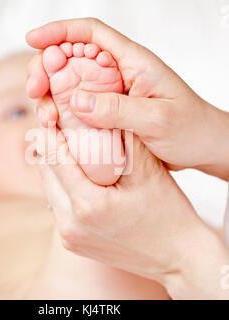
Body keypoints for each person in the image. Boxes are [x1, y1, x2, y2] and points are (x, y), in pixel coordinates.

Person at [0, 51, 168, 300]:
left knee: (129, 231)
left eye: (62, 105)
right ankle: (96, 185)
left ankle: (96, 193)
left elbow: (198, 254)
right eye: (16, 113)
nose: (47, 118)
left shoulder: (151, 210)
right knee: (104, 234)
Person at [26, 18, 229, 299]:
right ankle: (98, 155)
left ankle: (98, 160)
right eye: (14, 113)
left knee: (81, 265)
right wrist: (216, 135)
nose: (35, 121)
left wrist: (180, 259)